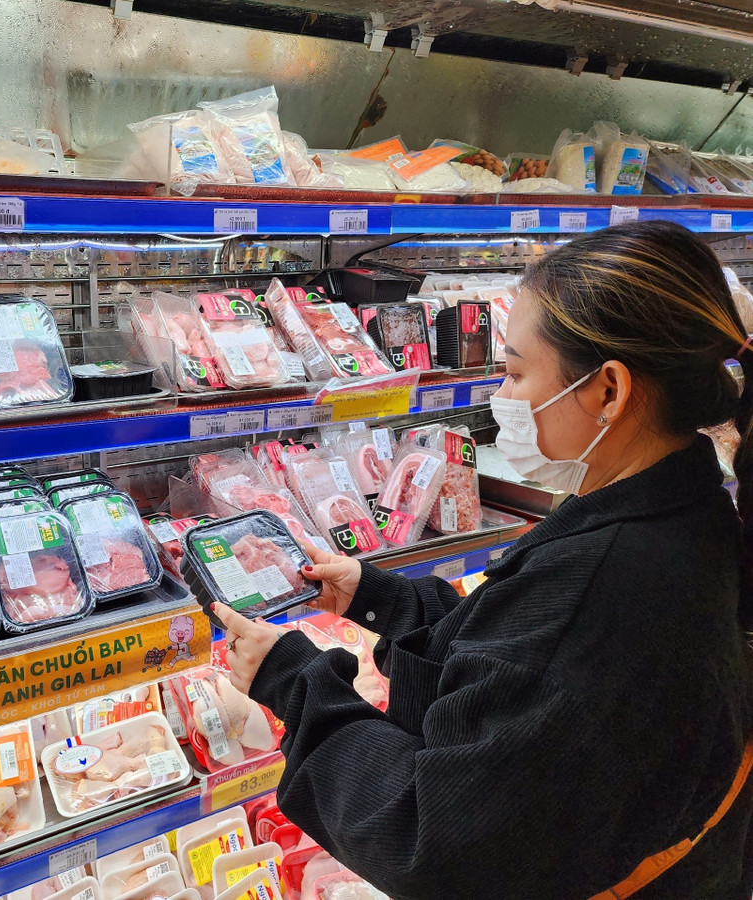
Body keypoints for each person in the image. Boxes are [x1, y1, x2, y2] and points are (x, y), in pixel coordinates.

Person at [211, 221, 753, 899]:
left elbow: (430, 839)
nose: (502, 394)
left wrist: (293, 679)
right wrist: (381, 599)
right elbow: (520, 657)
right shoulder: (686, 509)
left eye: (517, 372)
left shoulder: (606, 585)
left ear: (609, 392)